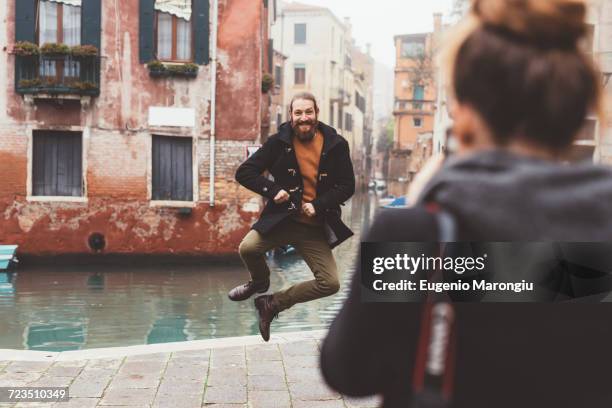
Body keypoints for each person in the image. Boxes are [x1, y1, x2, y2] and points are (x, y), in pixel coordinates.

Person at [321, 0, 612, 407]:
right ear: (575, 108)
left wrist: (422, 207)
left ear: (467, 116)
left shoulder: (417, 235)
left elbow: (348, 371)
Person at [230, 92, 355, 341]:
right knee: (247, 249)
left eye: (308, 112)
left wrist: (318, 205)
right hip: (282, 221)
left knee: (330, 283)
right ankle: (260, 283)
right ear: (291, 116)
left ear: (317, 113)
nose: (303, 118)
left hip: (314, 228)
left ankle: (272, 303)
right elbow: (245, 172)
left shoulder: (336, 144)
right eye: (298, 113)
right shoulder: (278, 143)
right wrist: (273, 190)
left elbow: (347, 186)